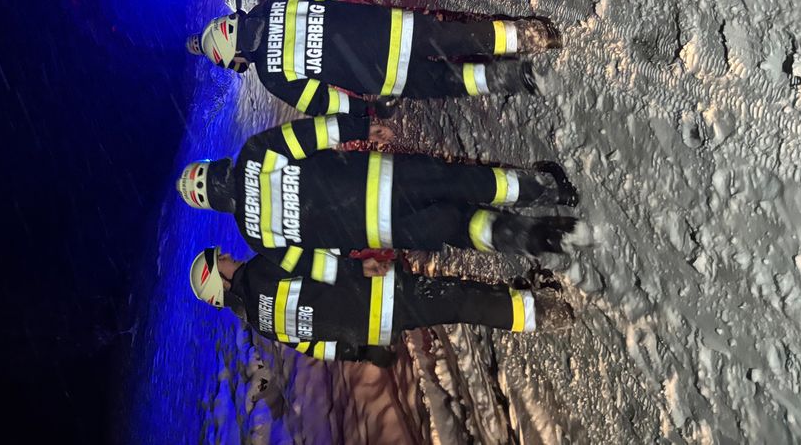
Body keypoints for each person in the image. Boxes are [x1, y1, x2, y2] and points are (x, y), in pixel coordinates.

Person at [177, 113, 582, 273]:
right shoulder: (252, 154)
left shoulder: (254, 236)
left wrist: (360, 268)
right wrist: (361, 129)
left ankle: (539, 236)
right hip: (383, 179)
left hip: (382, 229)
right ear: (217, 169)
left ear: (216, 204)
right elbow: (313, 134)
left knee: (460, 228)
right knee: (457, 183)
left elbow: (311, 266)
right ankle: (545, 190)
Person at [185, 0, 560, 115]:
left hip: (383, 77)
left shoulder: (270, 75)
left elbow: (322, 102)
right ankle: (528, 35)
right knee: (456, 36)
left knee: (451, 82)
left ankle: (511, 78)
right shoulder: (273, 6)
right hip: (390, 28)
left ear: (233, 53)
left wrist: (365, 110)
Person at [187, 247, 573, 367]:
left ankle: (521, 302)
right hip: (376, 294)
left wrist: (365, 352)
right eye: (219, 260)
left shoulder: (261, 323)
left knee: (453, 301)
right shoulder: (258, 269)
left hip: (376, 324)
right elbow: (319, 260)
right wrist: (361, 263)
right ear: (219, 283)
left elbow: (315, 345)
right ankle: (542, 312)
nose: (226, 256)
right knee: (456, 298)